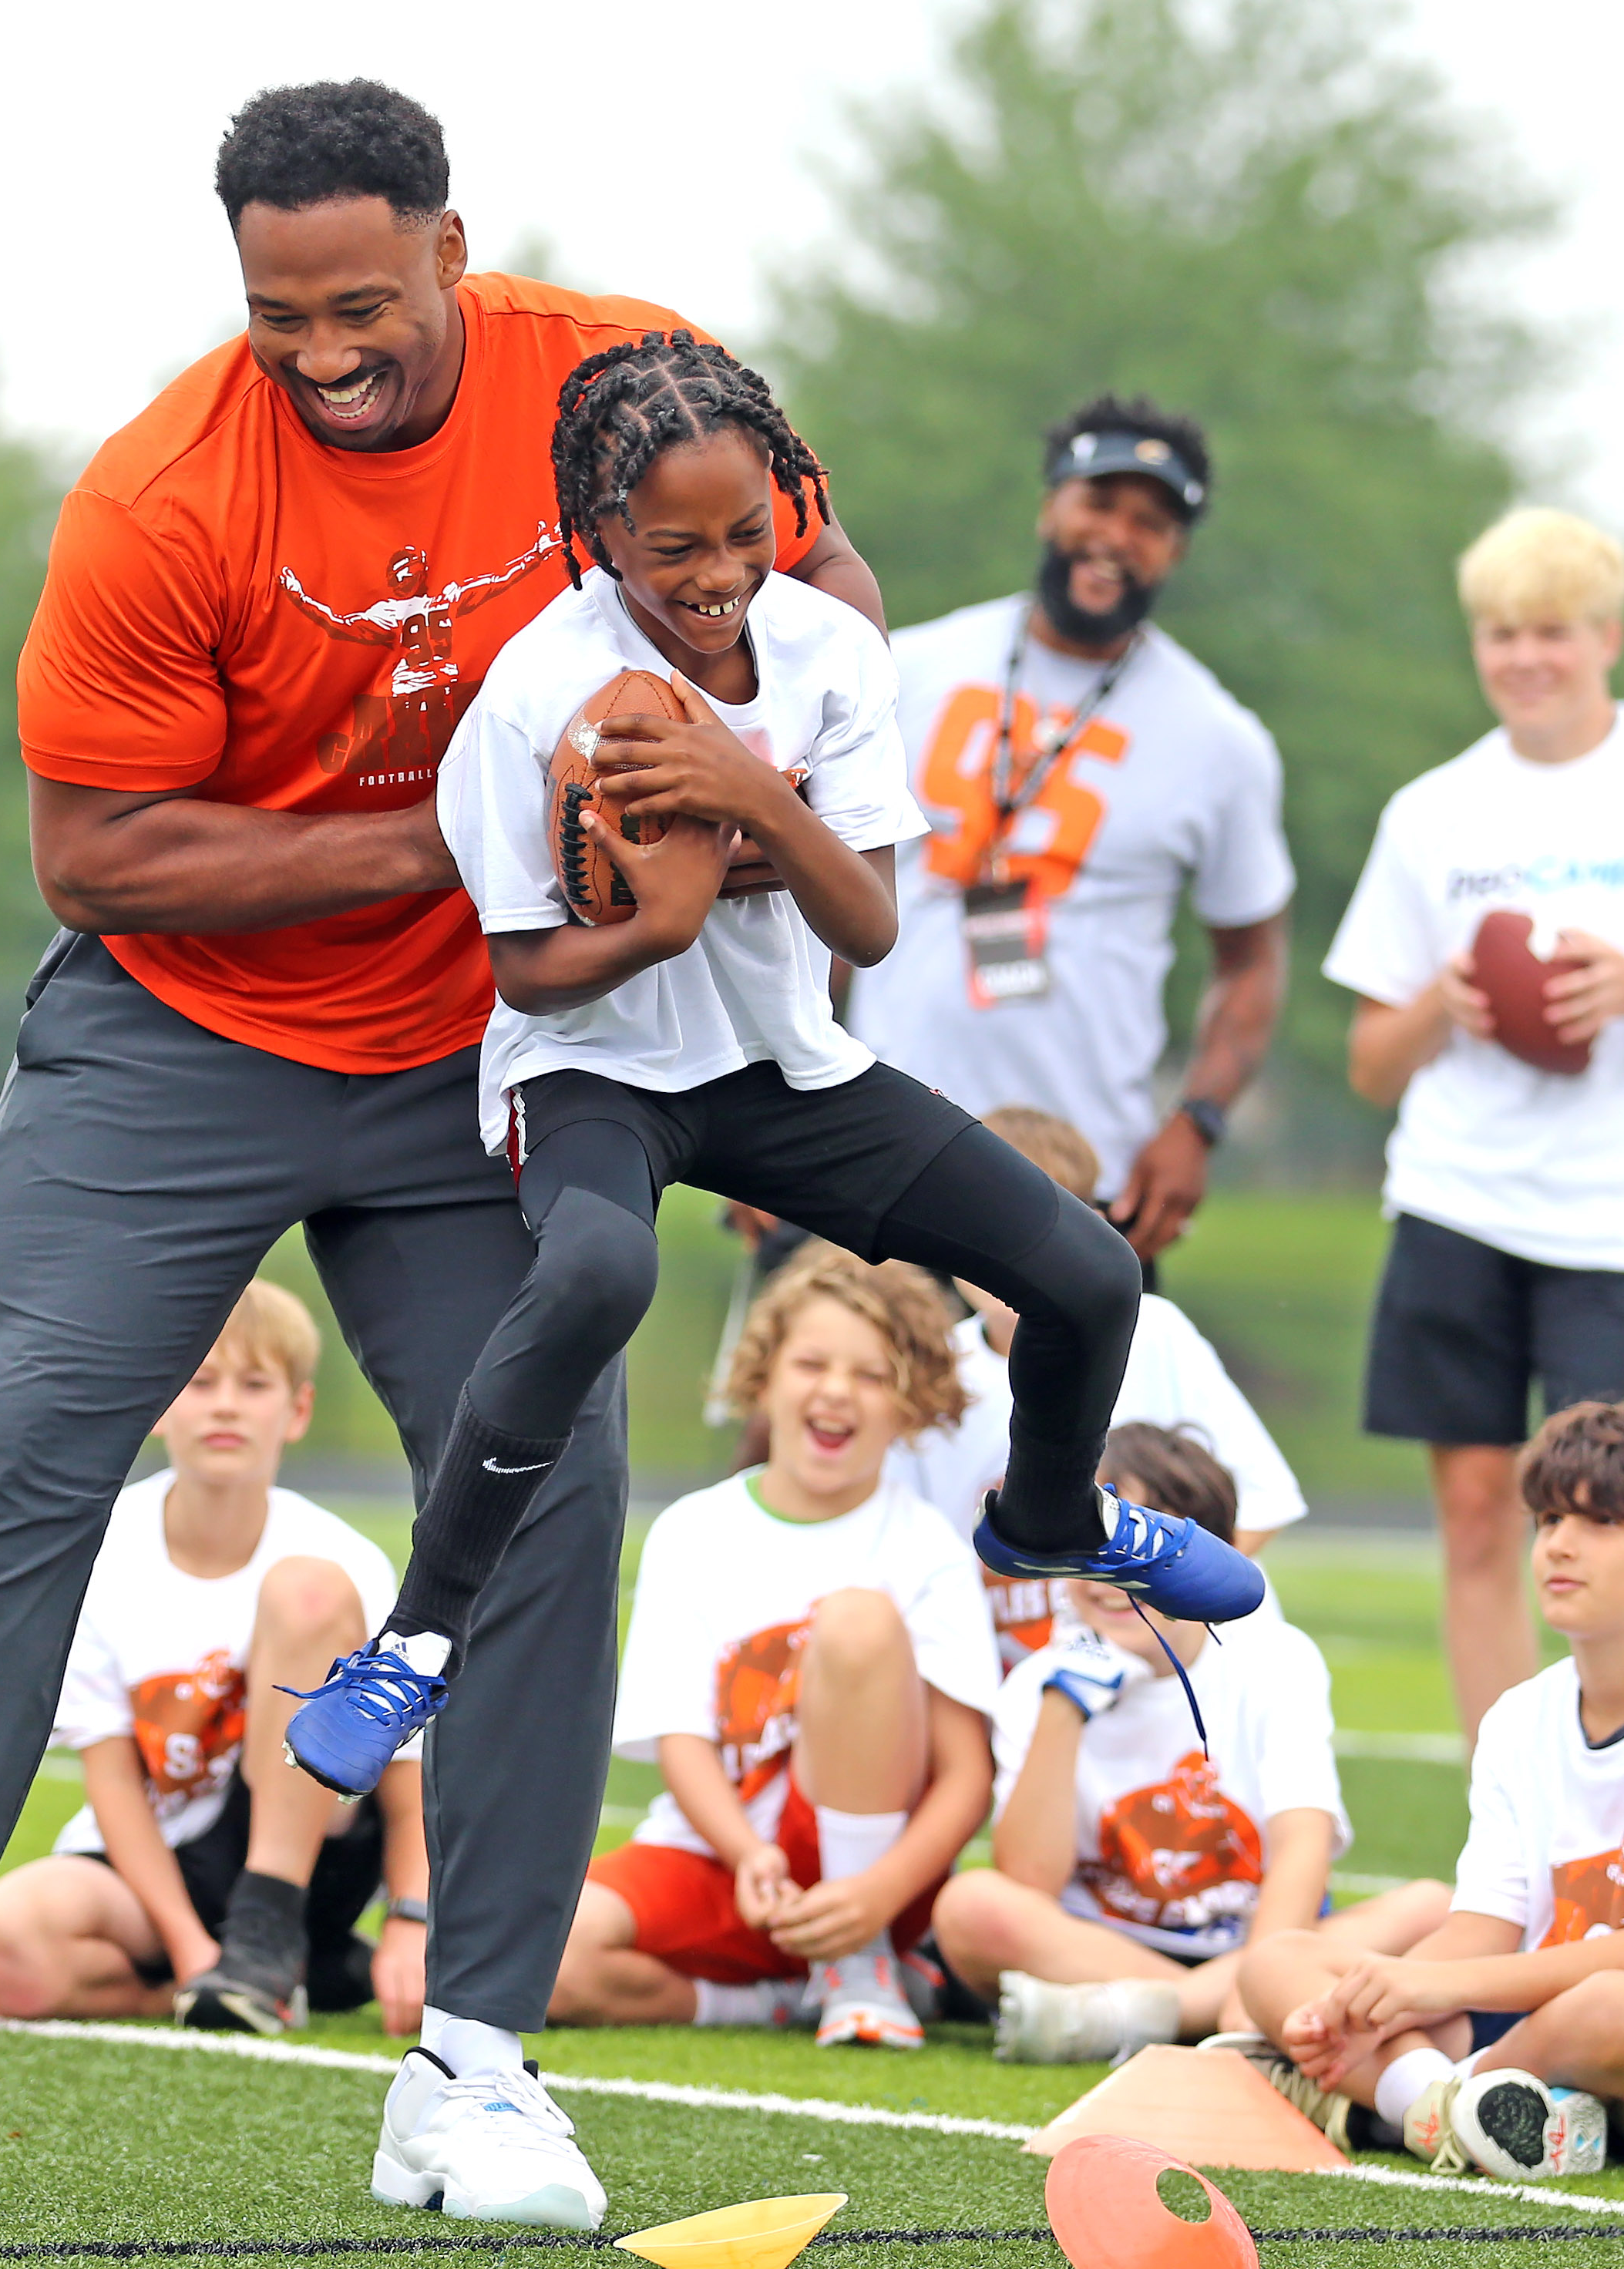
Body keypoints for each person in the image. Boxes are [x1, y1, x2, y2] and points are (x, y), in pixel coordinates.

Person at [0, 80, 891, 2231]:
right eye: (277, 315)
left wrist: (746, 787)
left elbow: (824, 592)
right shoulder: (164, 492)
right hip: (187, 1037)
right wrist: (471, 836)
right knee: (28, 1462)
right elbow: (95, 851)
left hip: (499, 1047)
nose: (323, 351)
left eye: (362, 305)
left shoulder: (614, 384)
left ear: (455, 248)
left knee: (541, 1492)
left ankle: (475, 2065)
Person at [294, 329, 1265, 2207]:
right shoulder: (534, 694)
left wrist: (738, 797)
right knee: (586, 1285)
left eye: (744, 535)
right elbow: (524, 973)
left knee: (1083, 1277)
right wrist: (653, 902)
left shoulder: (825, 654)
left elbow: (868, 918)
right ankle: (417, 1630)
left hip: (783, 1066)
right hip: (593, 1073)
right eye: (675, 553)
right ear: (594, 538)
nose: (719, 575)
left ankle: (1048, 1514)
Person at [1323, 506, 1624, 1740]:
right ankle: (1507, 1797)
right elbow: (1371, 1062)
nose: (1523, 658)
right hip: (1455, 1199)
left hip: (1615, 1215)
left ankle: (1623, 1779)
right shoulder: (1433, 809)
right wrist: (1448, 1000)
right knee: (1479, 1510)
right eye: (1498, 634)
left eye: (1548, 633)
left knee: (1622, 1517)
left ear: (1605, 638)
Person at [1226, 1405, 1624, 2180]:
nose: (1559, 1542)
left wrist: (1420, 1997)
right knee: (1276, 1963)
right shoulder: (1522, 1715)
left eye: (1604, 1521)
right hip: (1540, 2024)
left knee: (1611, 2005)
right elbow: (1483, 1927)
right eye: (1551, 1515)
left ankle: (1408, 2103)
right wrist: (1376, 1999)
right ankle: (1470, 2114)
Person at [843, 398, 1289, 1266]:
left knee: (1071, 1409)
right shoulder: (911, 668)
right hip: (875, 1140)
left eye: (1151, 522)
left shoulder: (1219, 738)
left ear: (1177, 549)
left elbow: (1252, 961)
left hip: (1083, 1174)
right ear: (1051, 506)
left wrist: (1197, 1123)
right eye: (1098, 503)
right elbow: (816, 894)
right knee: (833, 1394)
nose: (1117, 537)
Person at [552, 1249, 997, 2048]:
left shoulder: (925, 1544)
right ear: (762, 1376)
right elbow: (683, 1736)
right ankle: (774, 2001)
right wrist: (747, 1852)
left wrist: (876, 1894)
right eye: (812, 1363)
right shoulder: (695, 1530)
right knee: (539, 1959)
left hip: (881, 1878)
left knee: (858, 1621)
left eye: (871, 1374)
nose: (835, 1390)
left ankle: (860, 1965)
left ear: (913, 1401)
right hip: (729, 1859)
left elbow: (967, 1775)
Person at [0, 1279, 424, 2036]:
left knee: (307, 1594)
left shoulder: (345, 1557)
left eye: (255, 1384)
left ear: (296, 1410)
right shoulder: (99, 1548)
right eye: (200, 1382)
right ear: (161, 1401)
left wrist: (413, 1917)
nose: (226, 1405)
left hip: (310, 1855)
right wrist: (191, 1949)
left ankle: (273, 1932)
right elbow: (111, 1775)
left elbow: (406, 1772)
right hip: (168, 1856)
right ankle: (269, 1981)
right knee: (1, 1943)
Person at [940, 1423, 1449, 2067]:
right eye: (1088, 1549)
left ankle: (1146, 2017)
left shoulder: (1274, 1659)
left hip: (1257, 1937)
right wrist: (1062, 1711)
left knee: (1436, 1909)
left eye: (1137, 1550)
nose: (1109, 1577)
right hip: (1096, 1946)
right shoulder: (1040, 1682)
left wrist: (1266, 1973)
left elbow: (1302, 1842)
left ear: (1207, 1565)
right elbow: (1027, 1881)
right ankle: (1208, 2013)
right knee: (969, 1906)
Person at [881, 1108, 1307, 1669]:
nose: (999, 1252)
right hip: (1019, 1692)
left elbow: (1259, 1502)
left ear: (1085, 1227)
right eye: (976, 1225)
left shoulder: (1151, 1333)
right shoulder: (931, 1370)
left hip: (1182, 1671)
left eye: (1025, 1225)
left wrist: (1139, 1604)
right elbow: (913, 1561)